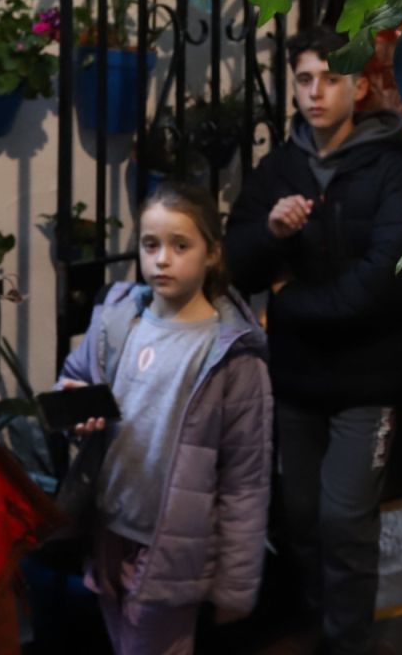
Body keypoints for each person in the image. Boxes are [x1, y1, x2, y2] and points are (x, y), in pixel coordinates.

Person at [226, 26, 402, 655]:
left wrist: (288, 303)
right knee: (302, 518)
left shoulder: (389, 166)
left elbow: (383, 281)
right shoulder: (278, 170)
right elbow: (235, 266)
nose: (315, 92)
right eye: (305, 79)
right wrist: (272, 233)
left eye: (330, 79)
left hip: (368, 379)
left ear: (358, 87)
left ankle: (348, 643)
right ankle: (318, 627)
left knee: (345, 521)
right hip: (296, 379)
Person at [57, 184, 272, 655]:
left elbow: (245, 480)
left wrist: (235, 584)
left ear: (212, 254)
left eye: (180, 246)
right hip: (109, 529)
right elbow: (74, 378)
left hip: (173, 549)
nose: (162, 260)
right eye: (150, 245)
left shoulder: (232, 356)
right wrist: (72, 406)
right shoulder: (118, 322)